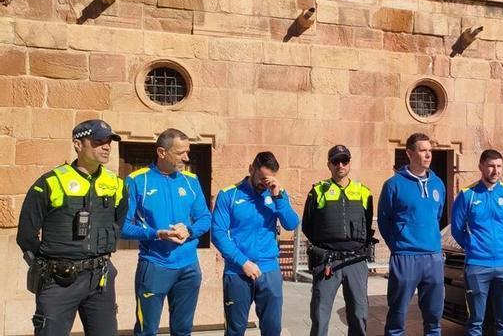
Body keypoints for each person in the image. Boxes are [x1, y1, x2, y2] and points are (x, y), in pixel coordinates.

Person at [17, 119, 127, 336]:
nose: (106, 146)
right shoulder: (50, 182)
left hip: (100, 279)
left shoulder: (116, 184)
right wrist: (49, 265)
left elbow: (117, 224)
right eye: (98, 141)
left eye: (108, 141)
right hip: (59, 280)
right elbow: (26, 235)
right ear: (78, 144)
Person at [121, 128, 211, 336]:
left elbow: (205, 218)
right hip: (154, 266)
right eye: (181, 153)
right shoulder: (136, 180)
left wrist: (190, 231)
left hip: (189, 267)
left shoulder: (191, 180)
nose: (187, 158)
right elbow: (122, 227)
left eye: (188, 151)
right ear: (162, 152)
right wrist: (155, 233)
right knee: (146, 330)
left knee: (183, 330)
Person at [211, 151, 300, 336]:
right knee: (235, 330)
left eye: (269, 179)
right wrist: (243, 262)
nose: (264, 183)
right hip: (237, 271)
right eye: (261, 178)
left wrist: (278, 197)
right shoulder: (229, 195)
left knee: (272, 329)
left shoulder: (277, 194)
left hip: (269, 271)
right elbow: (218, 234)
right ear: (251, 169)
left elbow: (291, 224)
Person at [302, 145, 375, 336]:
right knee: (320, 315)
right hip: (327, 261)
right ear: (329, 165)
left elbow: (367, 225)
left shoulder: (364, 192)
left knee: (359, 314)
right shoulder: (318, 191)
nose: (340, 165)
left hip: (356, 261)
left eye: (344, 161)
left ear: (349, 164)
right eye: (335, 161)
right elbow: (307, 226)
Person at [378, 133, 446, 336]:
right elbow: (384, 221)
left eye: (430, 150)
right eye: (423, 150)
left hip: (433, 258)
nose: (428, 155)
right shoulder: (393, 185)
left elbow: (438, 215)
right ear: (409, 153)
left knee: (434, 318)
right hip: (405, 257)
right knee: (397, 318)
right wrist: (399, 245)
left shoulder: (438, 184)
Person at [450, 149, 503, 336]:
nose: (495, 171)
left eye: (499, 166)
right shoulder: (467, 195)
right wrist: (473, 246)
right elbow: (457, 229)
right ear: (481, 167)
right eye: (490, 166)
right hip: (477, 265)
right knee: (475, 322)